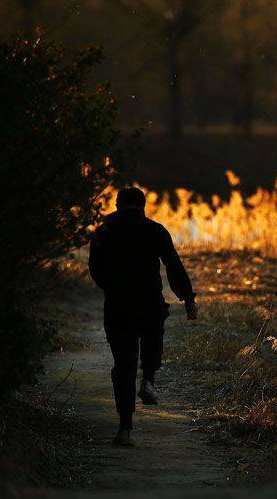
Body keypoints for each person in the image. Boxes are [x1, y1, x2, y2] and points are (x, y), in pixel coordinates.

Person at [88, 186, 197, 446]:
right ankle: (148, 379)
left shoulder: (104, 232)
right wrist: (188, 298)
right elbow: (173, 265)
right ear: (143, 205)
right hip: (150, 303)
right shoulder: (155, 230)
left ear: (117, 206)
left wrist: (111, 289)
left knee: (124, 365)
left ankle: (125, 428)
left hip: (118, 306)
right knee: (152, 341)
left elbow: (95, 269)